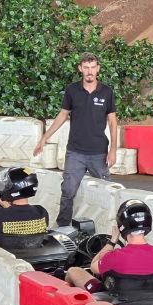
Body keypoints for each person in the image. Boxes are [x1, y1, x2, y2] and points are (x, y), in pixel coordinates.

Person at [33, 53, 118, 226]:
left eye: (93, 67)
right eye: (86, 68)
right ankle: (63, 227)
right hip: (75, 152)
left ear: (98, 69)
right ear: (80, 68)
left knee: (107, 192)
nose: (89, 71)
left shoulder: (107, 92)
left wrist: (113, 150)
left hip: (99, 153)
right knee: (68, 191)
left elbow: (112, 121)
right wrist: (44, 138)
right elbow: (62, 115)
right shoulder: (72, 90)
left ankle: (112, 228)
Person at [66, 199, 153, 289]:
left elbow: (93, 267)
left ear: (121, 226)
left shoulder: (115, 256)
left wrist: (112, 241)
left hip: (113, 299)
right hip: (148, 297)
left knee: (73, 271)